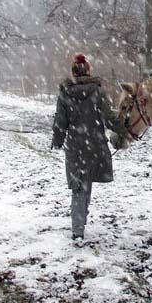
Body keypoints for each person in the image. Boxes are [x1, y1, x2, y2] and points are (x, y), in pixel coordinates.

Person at [51, 53, 128, 241]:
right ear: (88, 70)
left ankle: (78, 228)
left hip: (75, 146)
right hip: (94, 144)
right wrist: (123, 130)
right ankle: (80, 222)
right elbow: (109, 118)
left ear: (74, 73)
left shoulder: (65, 93)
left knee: (79, 185)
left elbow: (61, 121)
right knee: (87, 182)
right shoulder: (98, 92)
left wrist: (58, 139)